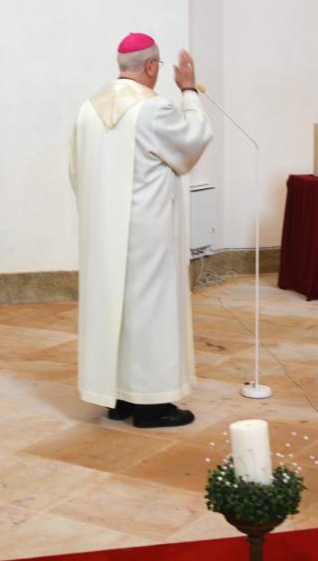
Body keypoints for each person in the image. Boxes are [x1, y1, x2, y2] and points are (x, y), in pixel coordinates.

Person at [69, 33, 213, 428]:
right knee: (150, 313)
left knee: (113, 310)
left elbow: (76, 171)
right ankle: (152, 406)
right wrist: (189, 92)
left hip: (103, 232)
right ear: (151, 66)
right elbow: (193, 140)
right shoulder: (153, 109)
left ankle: (118, 398)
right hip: (147, 234)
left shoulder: (89, 109)